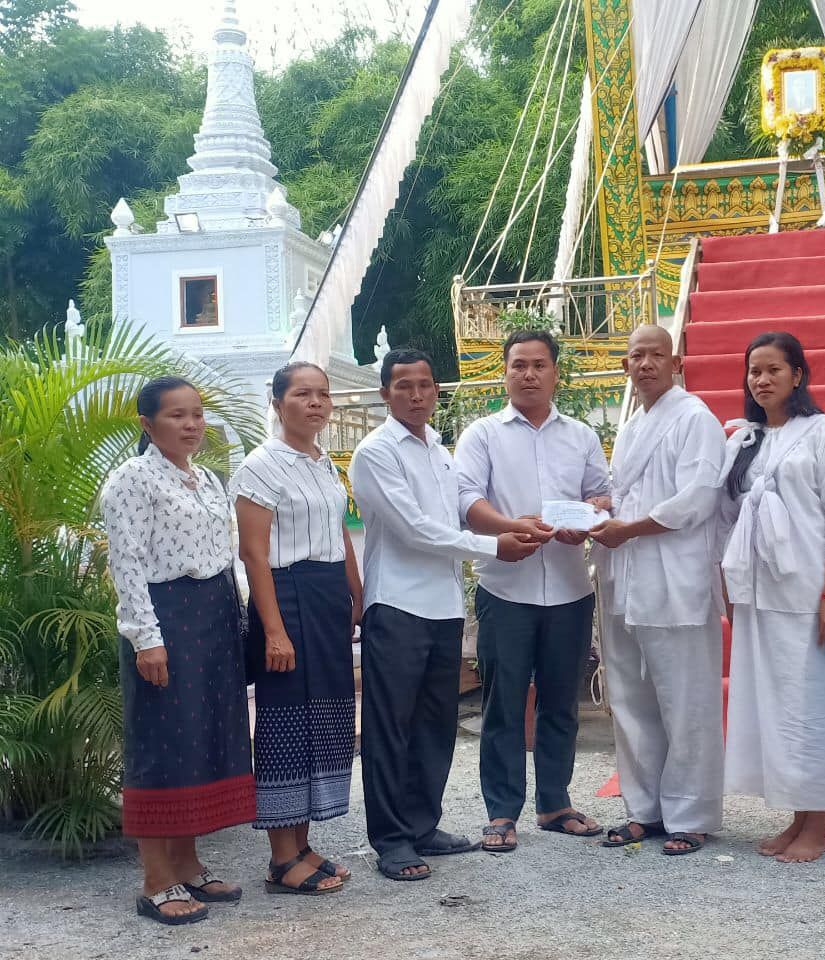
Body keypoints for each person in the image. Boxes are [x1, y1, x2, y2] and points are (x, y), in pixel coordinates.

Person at [349, 349, 541, 879]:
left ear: (436, 391)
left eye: (425, 385)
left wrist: (517, 524)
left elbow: (461, 509)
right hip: (397, 603)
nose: (416, 396)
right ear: (384, 394)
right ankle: (392, 840)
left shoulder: (438, 448)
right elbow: (414, 529)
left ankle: (422, 825)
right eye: (403, 386)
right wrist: (494, 547)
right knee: (391, 726)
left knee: (435, 723)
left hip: (442, 605)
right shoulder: (375, 452)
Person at [101, 377, 255, 925]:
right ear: (147, 424)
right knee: (162, 739)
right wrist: (146, 638)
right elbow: (127, 563)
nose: (192, 425)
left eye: (197, 414)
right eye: (177, 415)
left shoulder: (207, 478)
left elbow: (225, 554)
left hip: (214, 617)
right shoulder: (132, 479)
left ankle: (188, 863)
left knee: (201, 736)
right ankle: (155, 879)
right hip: (166, 618)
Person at [454, 329, 610, 852]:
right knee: (503, 702)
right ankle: (501, 812)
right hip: (506, 588)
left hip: (569, 587)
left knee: (561, 701)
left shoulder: (580, 436)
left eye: (539, 365)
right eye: (518, 364)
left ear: (555, 373)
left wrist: (589, 517)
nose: (528, 374)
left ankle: (555, 803)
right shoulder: (483, 434)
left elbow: (601, 494)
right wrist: (509, 527)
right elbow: (466, 498)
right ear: (504, 373)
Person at [719, 331, 825, 864]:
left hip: (811, 590)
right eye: (754, 371)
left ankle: (818, 825)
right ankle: (797, 817)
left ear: (797, 375)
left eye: (774, 369)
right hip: (761, 591)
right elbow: (728, 517)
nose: (762, 380)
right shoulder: (746, 440)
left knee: (811, 705)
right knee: (777, 707)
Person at [589, 325, 726, 856]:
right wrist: (606, 510)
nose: (645, 364)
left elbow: (698, 498)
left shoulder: (695, 419)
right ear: (626, 366)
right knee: (630, 697)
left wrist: (628, 527)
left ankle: (691, 815)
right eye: (636, 356)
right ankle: (644, 809)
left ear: (676, 363)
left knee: (686, 698)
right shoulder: (631, 428)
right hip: (625, 574)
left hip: (674, 576)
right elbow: (626, 493)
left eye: (655, 355)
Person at [230, 363, 359, 895]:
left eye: (322, 394)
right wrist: (275, 631)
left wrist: (355, 591)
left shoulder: (323, 462)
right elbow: (253, 554)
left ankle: (302, 845)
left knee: (324, 717)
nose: (315, 403)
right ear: (278, 403)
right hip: (286, 596)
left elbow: (338, 531)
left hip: (326, 597)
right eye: (302, 394)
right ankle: (282, 857)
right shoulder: (261, 466)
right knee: (286, 720)